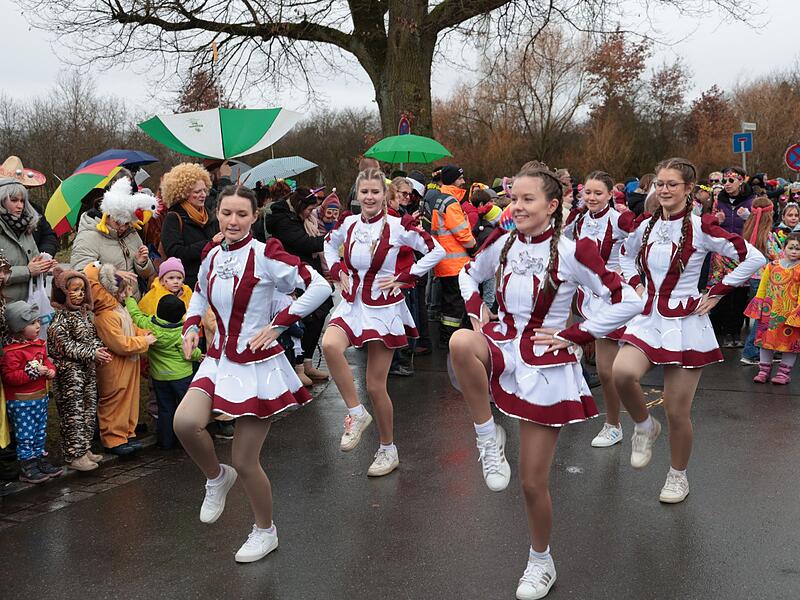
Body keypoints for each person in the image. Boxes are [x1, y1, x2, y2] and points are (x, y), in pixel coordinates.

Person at [449, 163, 644, 600]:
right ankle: (487, 436)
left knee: (532, 483)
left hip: (546, 365)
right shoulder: (500, 243)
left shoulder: (575, 251)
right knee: (462, 342)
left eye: (527, 199)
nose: (516, 206)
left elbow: (630, 299)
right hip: (502, 344)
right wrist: (477, 307)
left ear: (552, 205)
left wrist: (577, 333)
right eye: (513, 198)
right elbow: (467, 272)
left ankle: (541, 561)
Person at [173, 185, 331, 563]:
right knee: (184, 423)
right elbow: (199, 292)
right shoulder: (211, 253)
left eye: (241, 214)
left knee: (245, 460)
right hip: (218, 358)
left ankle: (265, 531)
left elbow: (320, 286)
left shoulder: (267, 255)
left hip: (258, 365)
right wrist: (192, 325)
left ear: (253, 217)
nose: (232, 220)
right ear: (217, 213)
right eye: (226, 213)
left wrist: (279, 324)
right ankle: (215, 477)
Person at [613, 158, 765, 505]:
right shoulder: (645, 226)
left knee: (677, 411)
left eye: (672, 184)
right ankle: (643, 426)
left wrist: (717, 292)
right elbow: (624, 255)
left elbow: (753, 258)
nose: (664, 190)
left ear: (688, 190)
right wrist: (636, 285)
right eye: (660, 184)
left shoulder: (702, 228)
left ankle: (677, 475)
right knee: (621, 373)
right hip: (649, 317)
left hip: (686, 322)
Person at [321, 168, 444, 477]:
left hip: (384, 309)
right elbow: (327, 244)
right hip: (352, 304)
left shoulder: (398, 226)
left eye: (375, 192)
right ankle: (355, 412)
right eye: (364, 192)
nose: (370, 197)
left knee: (376, 386)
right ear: (357, 195)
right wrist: (337, 269)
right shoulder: (347, 224)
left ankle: (388, 449)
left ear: (385, 196)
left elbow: (436, 250)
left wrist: (406, 276)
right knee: (330, 345)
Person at [563, 171, 630, 448]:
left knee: (608, 369)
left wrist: (625, 270)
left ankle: (614, 424)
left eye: (598, 193)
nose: (591, 198)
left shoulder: (619, 220)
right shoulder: (577, 220)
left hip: (613, 297)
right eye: (587, 193)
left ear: (610, 195)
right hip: (587, 296)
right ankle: (613, 423)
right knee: (603, 369)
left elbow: (640, 246)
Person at [261, 187, 333, 382]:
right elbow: (305, 244)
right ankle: (297, 366)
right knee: (299, 322)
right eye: (310, 209)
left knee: (317, 313)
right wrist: (332, 239)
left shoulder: (299, 219)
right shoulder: (283, 221)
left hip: (305, 273)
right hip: (292, 278)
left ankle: (306, 363)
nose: (311, 213)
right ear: (301, 206)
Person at [84, 262, 157, 455]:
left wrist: (144, 332)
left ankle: (127, 433)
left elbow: (131, 329)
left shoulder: (119, 309)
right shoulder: (105, 316)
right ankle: (113, 438)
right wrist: (144, 341)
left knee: (130, 398)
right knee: (114, 400)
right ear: (113, 292)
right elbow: (119, 343)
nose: (126, 295)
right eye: (123, 292)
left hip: (129, 364)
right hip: (114, 367)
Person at [48, 267, 112, 471]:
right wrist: (91, 353)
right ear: (63, 293)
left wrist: (99, 351)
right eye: (73, 290)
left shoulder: (84, 316)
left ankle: (84, 448)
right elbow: (65, 346)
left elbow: (91, 338)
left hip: (87, 371)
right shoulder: (60, 319)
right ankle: (74, 454)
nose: (79, 294)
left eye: (82, 290)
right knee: (72, 413)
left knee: (87, 409)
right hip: (69, 374)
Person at [127, 294, 201, 449]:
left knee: (165, 409)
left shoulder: (150, 324)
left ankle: (166, 442)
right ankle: (188, 441)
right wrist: (198, 355)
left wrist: (129, 298)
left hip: (159, 376)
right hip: (181, 376)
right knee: (185, 408)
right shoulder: (182, 332)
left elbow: (136, 315)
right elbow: (189, 353)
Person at [0, 301, 61, 483]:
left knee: (39, 432)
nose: (37, 326)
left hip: (40, 399)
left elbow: (47, 362)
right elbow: (10, 377)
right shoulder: (10, 352)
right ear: (19, 328)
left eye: (37, 322)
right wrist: (32, 372)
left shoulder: (38, 345)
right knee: (25, 435)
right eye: (32, 323)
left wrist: (51, 370)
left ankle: (40, 459)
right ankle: (27, 466)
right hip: (21, 402)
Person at [71, 177, 157, 300]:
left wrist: (142, 262)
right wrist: (111, 275)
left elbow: (146, 274)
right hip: (105, 309)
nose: (122, 227)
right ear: (107, 215)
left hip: (132, 307)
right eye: (117, 222)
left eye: (127, 223)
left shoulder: (131, 233)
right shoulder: (89, 236)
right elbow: (80, 274)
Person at [708, 166, 757, 347]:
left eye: (731, 180)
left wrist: (750, 217)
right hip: (722, 253)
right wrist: (716, 221)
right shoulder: (718, 200)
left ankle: (736, 333)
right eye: (724, 181)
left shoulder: (751, 200)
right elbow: (708, 224)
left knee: (740, 293)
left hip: (743, 252)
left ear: (741, 181)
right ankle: (725, 334)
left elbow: (760, 225)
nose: (727, 184)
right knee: (723, 292)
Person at [430, 165, 476, 346]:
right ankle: (451, 338)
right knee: (455, 304)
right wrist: (474, 247)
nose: (463, 182)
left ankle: (447, 336)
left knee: (449, 302)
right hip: (454, 261)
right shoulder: (450, 202)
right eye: (460, 179)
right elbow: (461, 232)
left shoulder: (441, 200)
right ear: (452, 181)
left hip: (445, 260)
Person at [746, 234, 800, 384]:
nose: (794, 251)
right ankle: (764, 371)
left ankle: (783, 374)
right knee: (766, 342)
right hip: (769, 312)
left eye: (798, 248)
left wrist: (797, 313)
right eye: (791, 247)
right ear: (784, 248)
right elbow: (763, 287)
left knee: (789, 345)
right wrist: (759, 304)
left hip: (790, 313)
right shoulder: (772, 266)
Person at [160, 163, 222, 290]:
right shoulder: (174, 218)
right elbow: (175, 252)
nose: (203, 195)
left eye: (205, 190)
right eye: (197, 191)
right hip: (187, 286)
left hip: (213, 280)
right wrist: (209, 244)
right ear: (183, 193)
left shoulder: (209, 215)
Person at [739, 197, 782, 366]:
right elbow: (778, 257)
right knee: (763, 318)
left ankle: (764, 350)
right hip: (766, 281)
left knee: (761, 317)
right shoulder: (767, 236)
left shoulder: (748, 233)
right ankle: (751, 351)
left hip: (753, 279)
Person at [0, 177, 56, 302]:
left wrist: (45, 265)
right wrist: (28, 271)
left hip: (29, 303)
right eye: (14, 200)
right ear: (1, 201)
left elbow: (34, 264)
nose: (20, 206)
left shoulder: (27, 226)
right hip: (6, 307)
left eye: (22, 201)